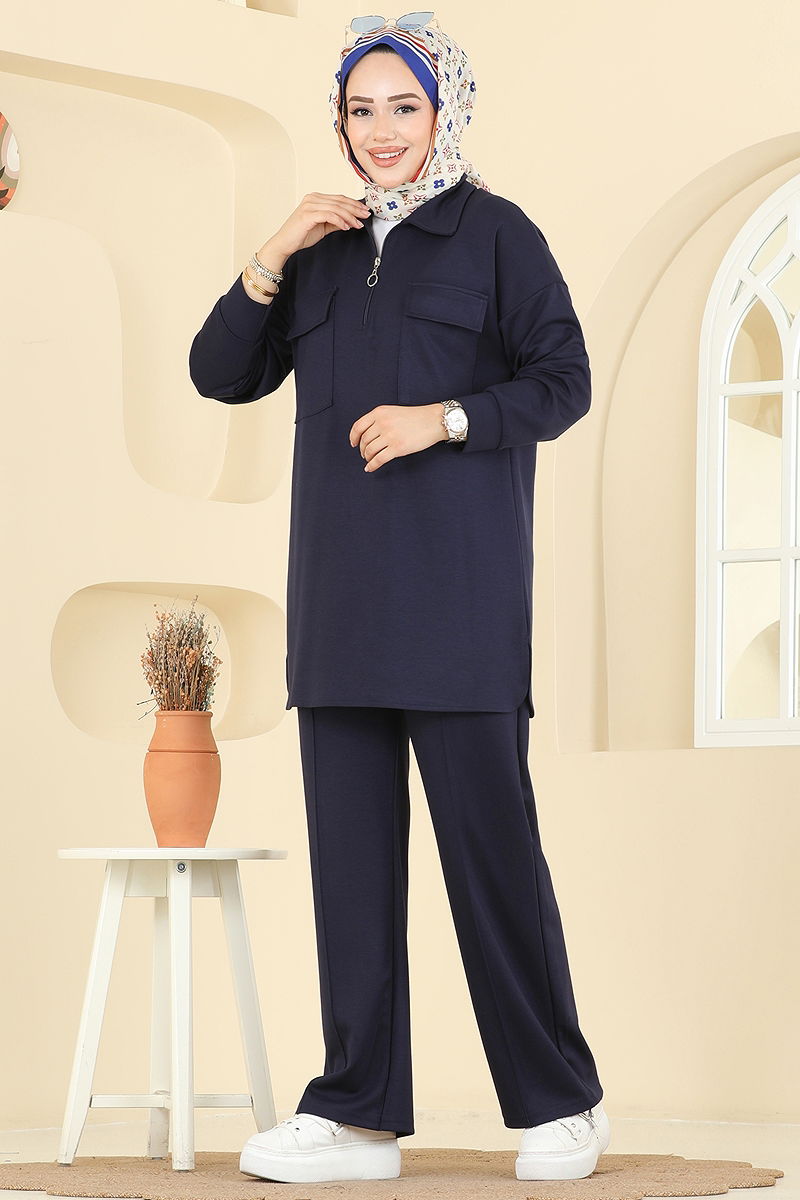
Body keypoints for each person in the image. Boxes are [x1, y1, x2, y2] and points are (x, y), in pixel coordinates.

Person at [189, 12, 610, 1187]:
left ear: (443, 112)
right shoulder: (318, 253)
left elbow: (564, 379)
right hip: (338, 612)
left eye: (403, 108)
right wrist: (274, 246)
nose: (380, 131)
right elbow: (219, 372)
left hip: (461, 609)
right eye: (360, 109)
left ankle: (561, 1105)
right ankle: (356, 1116)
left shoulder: (497, 235)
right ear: (339, 120)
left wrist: (448, 418)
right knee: (352, 881)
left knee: (492, 864)